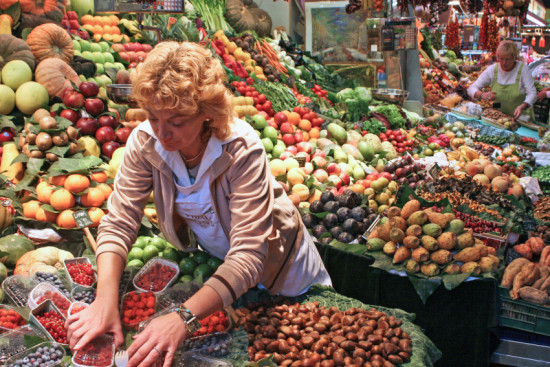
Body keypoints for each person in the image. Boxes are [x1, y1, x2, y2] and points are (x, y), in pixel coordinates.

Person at [65, 41, 332, 367]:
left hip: (283, 271)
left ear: (207, 113)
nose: (163, 133)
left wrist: (183, 315)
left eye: (177, 122)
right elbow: (120, 221)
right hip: (228, 272)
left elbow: (249, 253)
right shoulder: (145, 142)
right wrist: (104, 301)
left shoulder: (239, 148)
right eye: (153, 117)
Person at [468, 40, 537, 122]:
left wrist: (523, 106)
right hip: (499, 119)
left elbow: (532, 92)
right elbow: (471, 89)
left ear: (515, 58)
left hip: (522, 118)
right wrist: (483, 95)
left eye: (508, 59)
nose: (504, 63)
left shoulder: (523, 69)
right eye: (501, 59)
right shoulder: (493, 69)